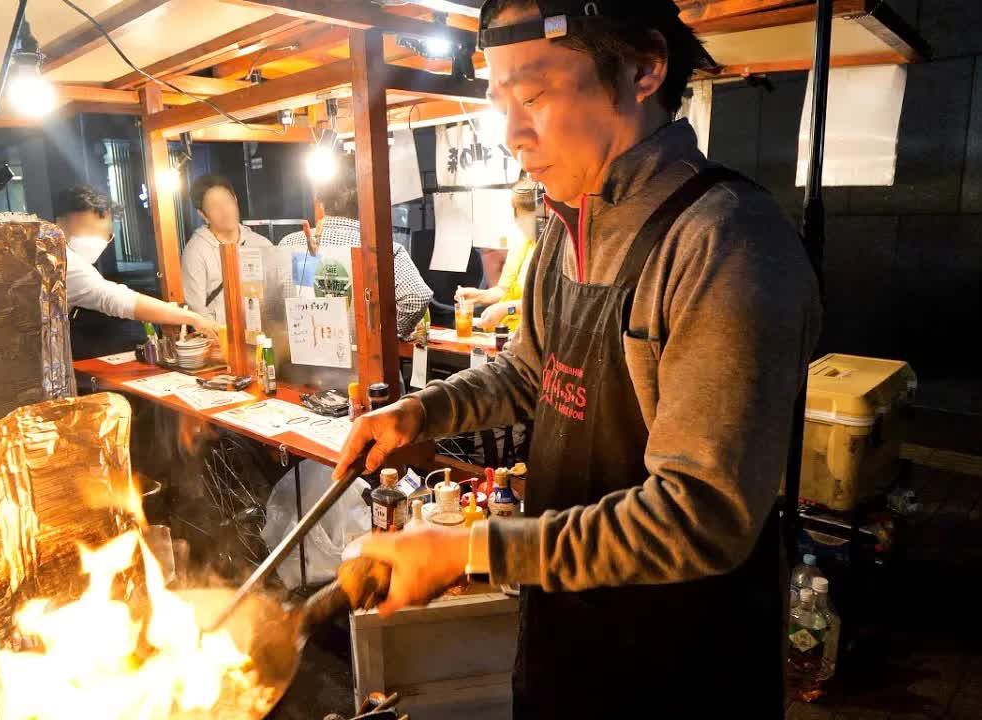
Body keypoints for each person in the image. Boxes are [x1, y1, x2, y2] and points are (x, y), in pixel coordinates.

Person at [335, 1, 822, 717]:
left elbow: (701, 514)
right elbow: (531, 370)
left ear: (643, 67)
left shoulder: (725, 244)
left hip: (679, 661)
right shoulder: (567, 225)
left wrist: (474, 552)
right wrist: (418, 411)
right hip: (569, 629)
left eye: (532, 96)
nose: (511, 134)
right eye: (499, 103)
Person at [278, 158, 433, 337]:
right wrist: (378, 336)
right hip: (365, 361)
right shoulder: (383, 250)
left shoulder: (289, 244)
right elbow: (417, 296)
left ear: (320, 200)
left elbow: (270, 305)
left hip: (300, 358)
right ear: (367, 201)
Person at [57, 185, 215, 357]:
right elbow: (116, 299)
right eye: (89, 230)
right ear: (60, 222)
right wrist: (193, 318)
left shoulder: (58, 255)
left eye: (105, 234)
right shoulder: (65, 261)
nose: (98, 240)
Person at [181, 174, 272, 321]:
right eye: (214, 206)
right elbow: (197, 310)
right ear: (203, 214)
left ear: (235, 200)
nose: (224, 210)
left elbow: (275, 295)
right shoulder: (195, 252)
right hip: (220, 338)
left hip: (261, 335)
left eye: (226, 201)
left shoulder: (261, 244)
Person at [454, 176, 539, 331]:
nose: (519, 222)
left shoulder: (553, 249)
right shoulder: (521, 244)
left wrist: (507, 308)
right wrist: (478, 296)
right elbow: (502, 290)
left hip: (537, 335)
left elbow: (547, 304)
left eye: (524, 215)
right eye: (518, 214)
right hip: (511, 333)